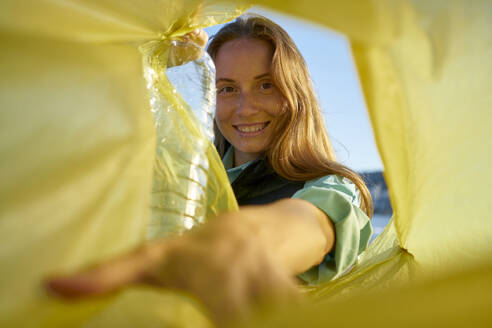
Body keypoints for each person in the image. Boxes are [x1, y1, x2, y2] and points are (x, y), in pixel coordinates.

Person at [47, 14, 373, 324]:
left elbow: (311, 225)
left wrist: (242, 241)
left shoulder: (333, 189)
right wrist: (169, 70)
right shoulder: (188, 174)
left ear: (295, 93)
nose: (246, 109)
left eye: (265, 85)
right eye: (227, 89)